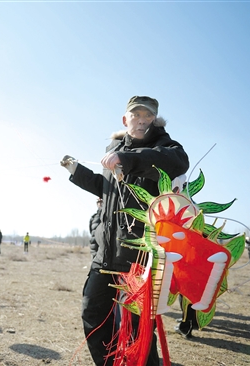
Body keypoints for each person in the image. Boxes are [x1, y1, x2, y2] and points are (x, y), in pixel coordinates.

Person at [61, 95, 189, 365]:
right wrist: (76, 170)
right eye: (136, 115)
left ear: (155, 119)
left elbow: (177, 162)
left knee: (138, 332)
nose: (142, 120)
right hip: (106, 255)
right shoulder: (113, 147)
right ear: (125, 119)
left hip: (141, 259)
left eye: (148, 116)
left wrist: (126, 158)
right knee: (93, 315)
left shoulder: (165, 146)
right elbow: (105, 188)